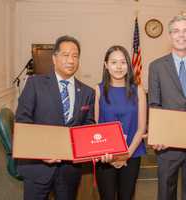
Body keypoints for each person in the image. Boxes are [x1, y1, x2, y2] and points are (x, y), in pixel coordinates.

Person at [15, 35, 95, 200]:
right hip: (38, 167)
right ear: (54, 58)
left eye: (75, 56)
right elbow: (23, 122)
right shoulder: (35, 84)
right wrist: (41, 151)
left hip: (69, 170)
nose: (71, 60)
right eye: (65, 55)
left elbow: (88, 126)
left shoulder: (87, 92)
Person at [95, 45, 146, 200]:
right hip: (105, 156)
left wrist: (126, 155)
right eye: (114, 62)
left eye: (123, 62)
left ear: (128, 65)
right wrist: (108, 155)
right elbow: (95, 128)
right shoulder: (98, 90)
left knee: (126, 196)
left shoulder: (138, 90)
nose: (118, 67)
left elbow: (141, 128)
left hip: (132, 153)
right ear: (106, 65)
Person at [148, 14, 186, 200]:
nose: (181, 35)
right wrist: (158, 135)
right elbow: (154, 104)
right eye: (176, 31)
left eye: (185, 30)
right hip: (168, 144)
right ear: (170, 36)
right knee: (165, 192)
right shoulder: (156, 67)